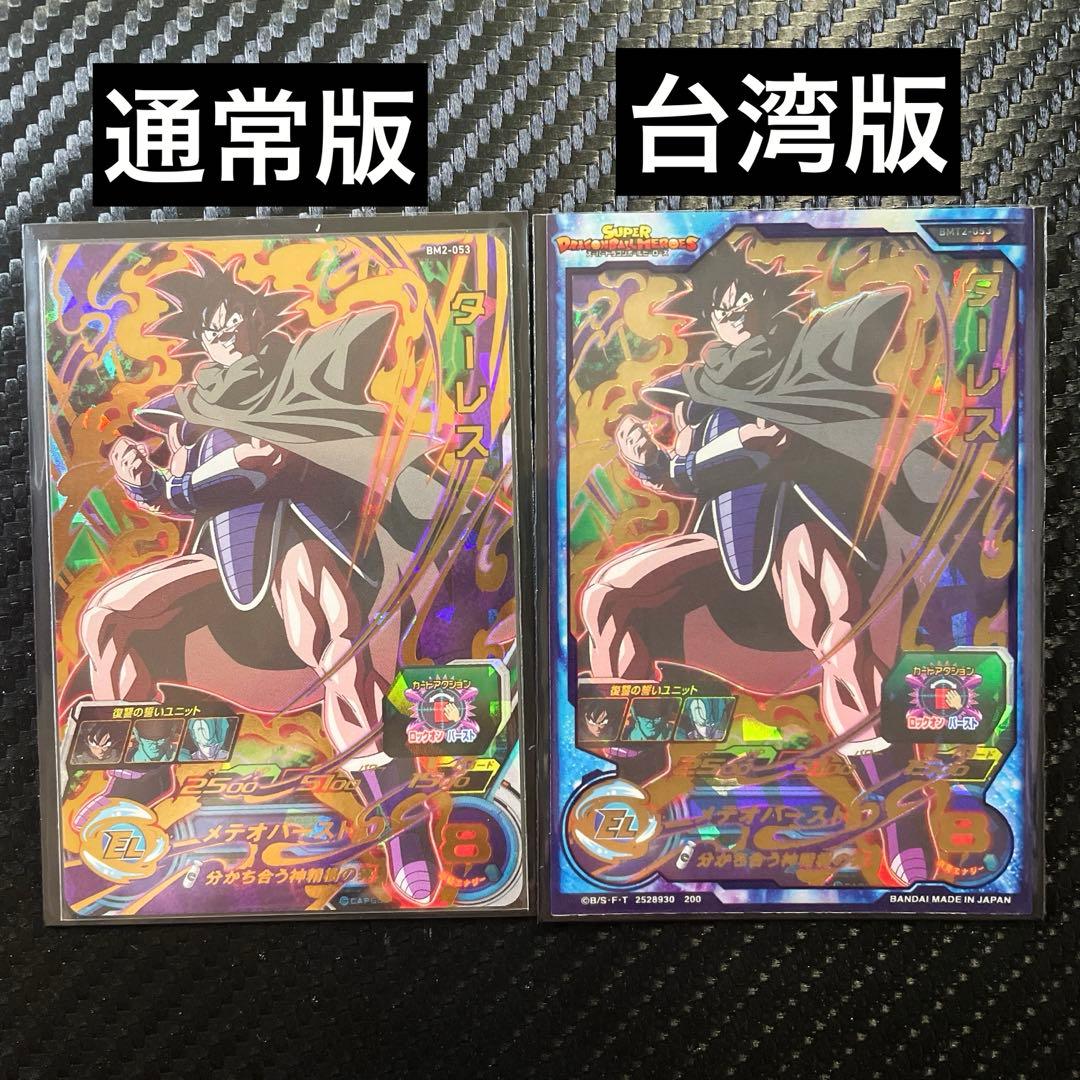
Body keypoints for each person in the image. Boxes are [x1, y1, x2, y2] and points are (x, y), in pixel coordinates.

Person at [71, 251, 445, 904]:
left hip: (302, 535)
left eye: (232, 315)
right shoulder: (190, 410)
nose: (220, 329)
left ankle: (401, 822)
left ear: (256, 319)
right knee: (108, 615)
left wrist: (171, 485)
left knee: (330, 630)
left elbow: (259, 467)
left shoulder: (298, 377)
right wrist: (145, 480)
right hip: (226, 554)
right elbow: (191, 491)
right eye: (208, 323)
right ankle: (140, 773)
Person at [580, 239, 956, 887]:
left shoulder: (806, 360)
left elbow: (766, 449)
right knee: (609, 593)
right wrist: (648, 460)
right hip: (727, 540)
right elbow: (696, 474)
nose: (729, 309)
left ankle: (900, 811)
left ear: (767, 302)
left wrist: (679, 463)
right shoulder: (697, 393)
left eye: (741, 296)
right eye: (718, 303)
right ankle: (635, 774)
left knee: (827, 606)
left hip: (808, 520)